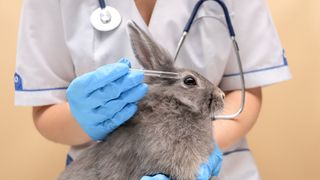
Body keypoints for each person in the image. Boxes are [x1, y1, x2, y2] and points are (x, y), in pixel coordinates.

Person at [14, 0, 291, 179]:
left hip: (224, 169)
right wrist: (82, 115)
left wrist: (198, 150)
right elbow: (45, 112)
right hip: (110, 169)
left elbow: (246, 92)